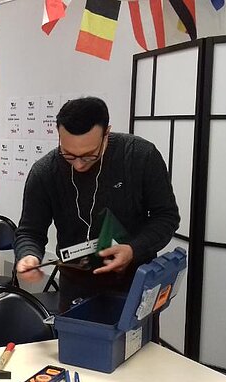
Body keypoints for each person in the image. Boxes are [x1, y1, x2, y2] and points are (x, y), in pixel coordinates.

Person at [15, 96, 180, 312]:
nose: (78, 165)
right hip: (75, 285)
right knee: (76, 333)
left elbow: (166, 217)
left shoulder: (140, 156)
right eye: (69, 155)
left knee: (134, 335)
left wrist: (133, 249)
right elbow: (29, 231)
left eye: (89, 156)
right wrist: (28, 255)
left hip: (135, 283)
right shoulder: (45, 171)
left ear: (106, 133)